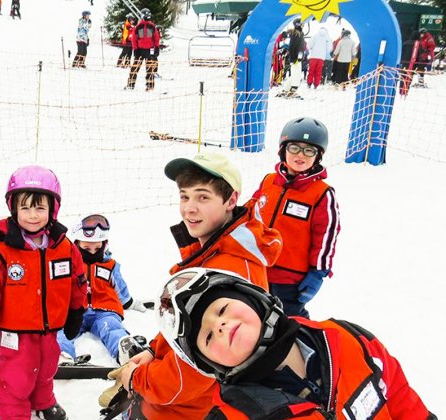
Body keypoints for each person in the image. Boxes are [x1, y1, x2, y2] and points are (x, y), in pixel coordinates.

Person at [116, 151, 282, 419]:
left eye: (203, 197)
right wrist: (152, 350)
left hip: (185, 411)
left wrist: (137, 378)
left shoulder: (227, 274)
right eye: (185, 196)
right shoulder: (212, 253)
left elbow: (186, 379)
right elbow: (182, 324)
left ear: (231, 200)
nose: (189, 208)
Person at [156, 267, 437, 419]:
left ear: (253, 299)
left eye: (222, 310)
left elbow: (399, 397)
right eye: (206, 337)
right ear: (208, 363)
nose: (219, 326)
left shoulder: (349, 338)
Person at [0, 165, 87, 420]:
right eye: (25, 207)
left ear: (52, 210)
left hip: (50, 328)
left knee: (46, 368)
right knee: (15, 378)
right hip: (16, 332)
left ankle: (43, 401)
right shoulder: (2, 249)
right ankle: (14, 414)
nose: (32, 215)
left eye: (40, 208)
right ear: (14, 209)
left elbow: (77, 280)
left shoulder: (64, 247)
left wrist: (77, 310)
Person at [250, 117, 340, 318]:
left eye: (309, 150)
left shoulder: (322, 194)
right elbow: (249, 214)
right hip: (257, 269)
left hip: (290, 280)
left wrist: (318, 273)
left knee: (287, 323)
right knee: (254, 318)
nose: (301, 155)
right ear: (283, 150)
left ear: (318, 157)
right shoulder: (269, 181)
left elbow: (326, 236)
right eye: (294, 148)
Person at [57, 214, 151, 365]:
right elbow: (57, 287)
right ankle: (61, 355)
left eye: (97, 247)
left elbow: (120, 288)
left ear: (104, 244)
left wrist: (129, 303)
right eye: (86, 248)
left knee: (111, 327)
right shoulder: (68, 264)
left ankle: (126, 350)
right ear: (76, 244)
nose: (93, 252)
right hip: (74, 311)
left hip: (104, 309)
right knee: (61, 331)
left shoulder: (110, 265)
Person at [125, 8, 160, 91]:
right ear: (143, 16)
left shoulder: (152, 26)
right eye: (146, 15)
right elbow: (134, 39)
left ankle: (150, 85)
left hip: (149, 50)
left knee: (150, 68)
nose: (147, 17)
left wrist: (157, 48)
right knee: (135, 68)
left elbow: (156, 38)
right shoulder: (138, 26)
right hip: (140, 50)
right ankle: (130, 84)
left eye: (148, 15)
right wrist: (135, 49)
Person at [279, 18, 305, 97]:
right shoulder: (297, 34)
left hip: (295, 57)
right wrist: (297, 57)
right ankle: (293, 90)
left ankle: (285, 89)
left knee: (293, 74)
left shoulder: (298, 33)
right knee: (297, 75)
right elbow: (295, 47)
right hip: (296, 58)